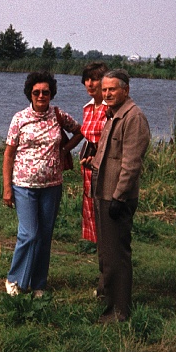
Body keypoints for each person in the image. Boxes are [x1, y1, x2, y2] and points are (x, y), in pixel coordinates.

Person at [2, 71, 82, 297]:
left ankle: (38, 285)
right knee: (29, 234)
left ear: (51, 94)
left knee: (45, 235)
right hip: (24, 186)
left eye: (45, 92)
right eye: (36, 92)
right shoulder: (20, 119)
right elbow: (8, 154)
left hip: (52, 186)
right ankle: (14, 279)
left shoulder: (57, 116)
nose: (41, 96)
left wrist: (65, 149)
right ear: (30, 93)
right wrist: (7, 188)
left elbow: (79, 131)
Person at [90, 69, 150, 323]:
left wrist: (119, 196)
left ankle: (118, 312)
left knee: (117, 256)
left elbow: (131, 163)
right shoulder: (113, 114)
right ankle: (108, 296)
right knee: (106, 252)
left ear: (126, 90)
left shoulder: (133, 117)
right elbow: (109, 154)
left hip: (116, 196)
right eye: (104, 90)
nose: (107, 94)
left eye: (112, 89)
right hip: (103, 192)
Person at [77, 62, 110, 247]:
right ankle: (99, 255)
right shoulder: (88, 108)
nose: (90, 83)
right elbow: (84, 134)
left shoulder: (109, 109)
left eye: (95, 79)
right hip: (88, 168)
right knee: (92, 211)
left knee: (104, 215)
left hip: (103, 167)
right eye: (87, 79)